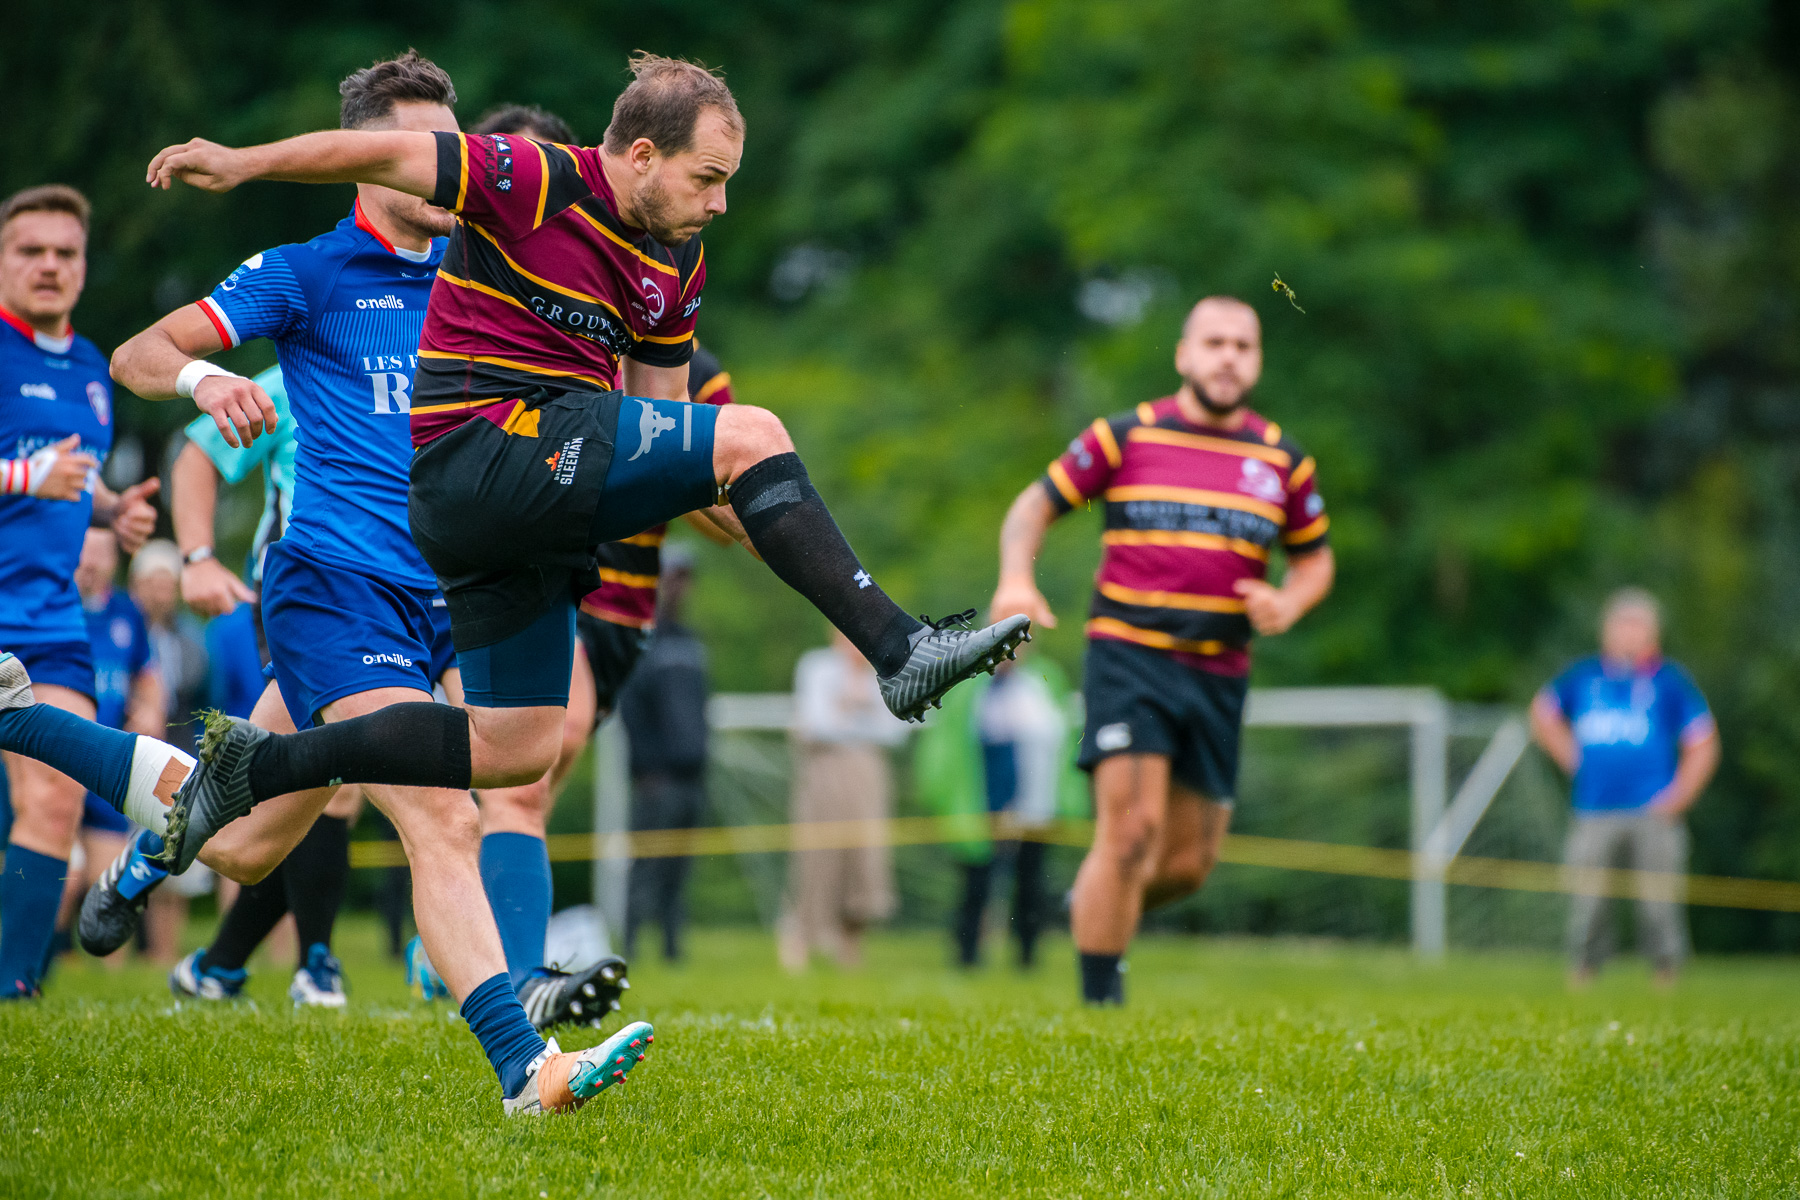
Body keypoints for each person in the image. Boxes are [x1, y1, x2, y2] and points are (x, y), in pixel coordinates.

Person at [135, 52, 1023, 1110]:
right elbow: (369, 149)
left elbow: (668, 433)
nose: (721, 201)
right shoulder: (530, 176)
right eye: (707, 177)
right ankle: (901, 648)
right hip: (477, 455)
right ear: (640, 154)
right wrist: (241, 164)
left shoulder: (673, 270)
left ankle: (253, 768)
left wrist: (763, 516)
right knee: (756, 431)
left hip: (522, 521)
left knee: (517, 750)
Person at [111, 49, 659, 1116]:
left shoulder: (489, 267)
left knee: (245, 846)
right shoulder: (306, 275)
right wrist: (207, 375)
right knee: (439, 814)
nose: (442, 170)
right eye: (421, 150)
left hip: (461, 594)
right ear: (375, 161)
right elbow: (140, 352)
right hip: (339, 592)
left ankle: (107, 786)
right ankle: (526, 1066)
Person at [991, 295, 1335, 1006]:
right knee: (1131, 831)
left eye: (1243, 345)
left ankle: (1089, 909)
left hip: (1219, 670)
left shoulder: (1282, 460)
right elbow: (1032, 508)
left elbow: (1316, 561)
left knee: (1187, 865)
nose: (1228, 357)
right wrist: (1016, 580)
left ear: (1258, 361)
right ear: (1184, 355)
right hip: (1130, 655)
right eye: (1214, 342)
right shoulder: (1125, 436)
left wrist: (1289, 601)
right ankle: (1100, 1005)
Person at [0, 182, 160, 1000]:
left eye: (65, 252)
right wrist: (28, 473)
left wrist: (112, 511)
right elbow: (35, 471)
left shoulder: (94, 369)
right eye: (31, 250)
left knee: (56, 800)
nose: (49, 266)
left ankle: (14, 989)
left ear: (84, 266)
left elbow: (75, 477)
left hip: (54, 618)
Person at [1530, 588, 1719, 990]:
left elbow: (1703, 741)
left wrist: (1680, 795)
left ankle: (1666, 974)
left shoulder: (1669, 681)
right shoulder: (1584, 677)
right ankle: (1583, 971)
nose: (1629, 633)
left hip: (1653, 809)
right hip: (1594, 807)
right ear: (1606, 630)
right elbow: (1542, 712)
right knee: (1589, 898)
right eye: (1622, 624)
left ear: (1653, 632)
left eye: (1638, 624)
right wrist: (1570, 757)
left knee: (1658, 900)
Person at [916, 650, 1086, 969]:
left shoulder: (1041, 682)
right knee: (976, 881)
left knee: (1030, 880)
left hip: (1034, 803)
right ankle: (967, 957)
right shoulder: (971, 690)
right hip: (984, 800)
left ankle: (1027, 956)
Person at [778, 630, 910, 969]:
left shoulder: (885, 671)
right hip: (825, 776)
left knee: (864, 862)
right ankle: (800, 939)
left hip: (866, 778)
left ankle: (851, 944)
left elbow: (896, 729)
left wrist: (850, 709)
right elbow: (815, 723)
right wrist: (857, 712)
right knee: (818, 858)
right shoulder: (817, 667)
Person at [619, 546, 709, 962]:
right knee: (647, 869)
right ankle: (632, 948)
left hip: (692, 779)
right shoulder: (643, 640)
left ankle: (673, 951)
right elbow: (631, 712)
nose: (679, 586)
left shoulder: (692, 643)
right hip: (656, 780)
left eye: (684, 578)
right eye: (672, 576)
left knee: (678, 870)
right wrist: (645, 769)